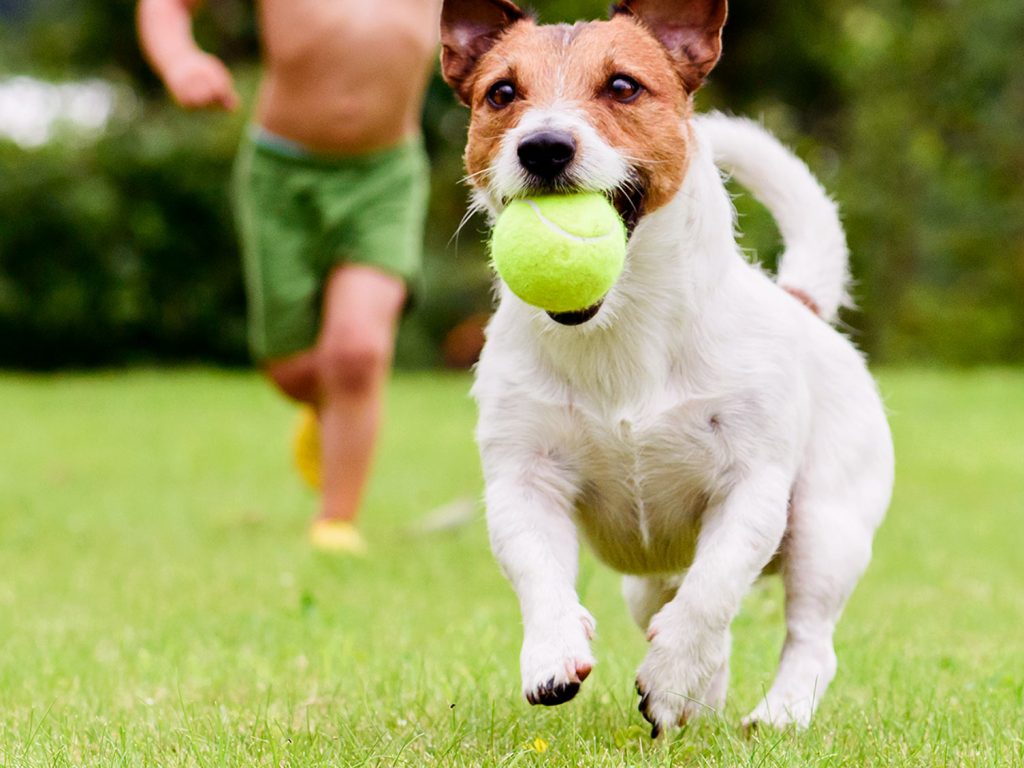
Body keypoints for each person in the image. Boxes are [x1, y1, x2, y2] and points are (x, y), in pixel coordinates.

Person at [137, 0, 439, 553]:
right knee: (292, 369)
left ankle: (336, 522)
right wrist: (180, 61)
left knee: (357, 353)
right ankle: (320, 403)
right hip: (280, 176)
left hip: (386, 179)